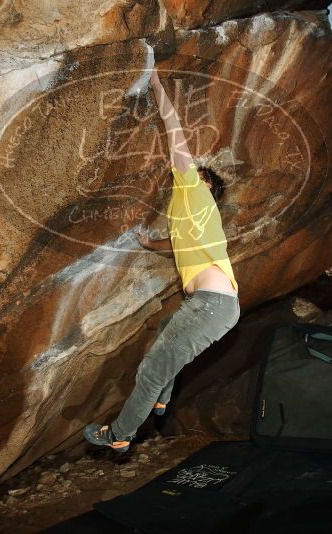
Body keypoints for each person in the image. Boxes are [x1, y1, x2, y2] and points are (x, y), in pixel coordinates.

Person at [83, 69, 240, 452]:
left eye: (197, 174)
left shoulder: (196, 193)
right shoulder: (195, 220)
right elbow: (174, 246)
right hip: (215, 306)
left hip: (210, 305)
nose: (186, 171)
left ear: (206, 186)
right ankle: (161, 399)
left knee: (151, 370)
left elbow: (176, 134)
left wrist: (155, 85)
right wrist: (146, 242)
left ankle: (118, 436)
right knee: (168, 327)